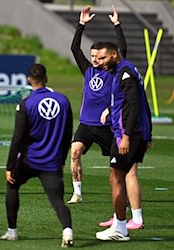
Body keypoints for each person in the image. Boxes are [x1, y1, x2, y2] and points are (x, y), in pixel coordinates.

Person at [0, 64, 74, 247]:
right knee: (58, 201)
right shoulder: (63, 101)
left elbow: (18, 138)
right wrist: (62, 160)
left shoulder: (27, 103)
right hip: (52, 163)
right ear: (46, 78)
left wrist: (10, 166)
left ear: (28, 79)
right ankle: (67, 230)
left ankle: (12, 232)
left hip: (29, 160)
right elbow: (67, 134)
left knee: (12, 187)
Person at [68, 5, 127, 204]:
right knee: (74, 152)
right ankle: (77, 193)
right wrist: (81, 25)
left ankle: (124, 196)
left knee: (118, 165)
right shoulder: (87, 70)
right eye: (92, 56)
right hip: (87, 123)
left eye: (97, 56)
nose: (94, 59)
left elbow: (123, 50)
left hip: (108, 125)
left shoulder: (113, 70)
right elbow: (74, 49)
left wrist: (117, 25)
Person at [94, 42, 152, 241]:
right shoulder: (122, 69)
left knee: (117, 177)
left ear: (114, 54)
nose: (99, 62)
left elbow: (135, 105)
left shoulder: (125, 72)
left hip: (128, 135)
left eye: (102, 58)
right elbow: (138, 103)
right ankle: (121, 222)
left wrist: (127, 136)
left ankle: (120, 228)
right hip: (127, 133)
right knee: (117, 176)